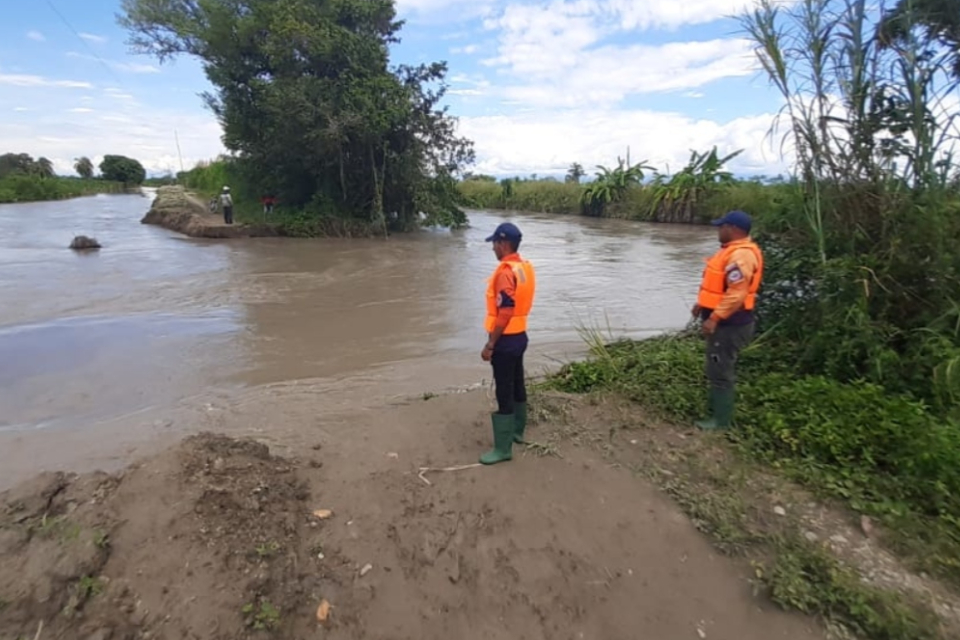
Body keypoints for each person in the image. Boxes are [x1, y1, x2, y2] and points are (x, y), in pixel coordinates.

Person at [691, 210, 764, 430]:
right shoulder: (731, 252)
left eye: (721, 226)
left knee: (721, 370)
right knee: (716, 367)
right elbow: (720, 287)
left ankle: (720, 422)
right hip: (727, 322)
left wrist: (713, 318)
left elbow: (736, 294)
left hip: (730, 324)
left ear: (732, 229)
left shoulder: (740, 256)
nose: (718, 230)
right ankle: (714, 413)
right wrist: (701, 305)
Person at [479, 222, 536, 465]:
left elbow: (505, 310)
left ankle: (503, 449)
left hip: (504, 340)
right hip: (520, 336)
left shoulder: (504, 273)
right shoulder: (523, 267)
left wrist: (490, 344)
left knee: (504, 388)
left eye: (494, 243)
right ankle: (517, 432)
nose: (492, 248)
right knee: (517, 382)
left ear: (503, 244)